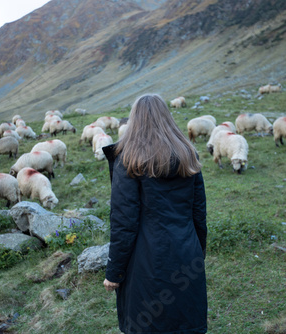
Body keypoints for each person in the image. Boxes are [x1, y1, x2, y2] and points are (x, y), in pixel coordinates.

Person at [102, 94, 208, 333]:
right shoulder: (188, 155)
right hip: (186, 250)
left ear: (134, 120)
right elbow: (198, 211)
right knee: (185, 321)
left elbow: (124, 222)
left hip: (145, 259)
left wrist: (115, 271)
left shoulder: (128, 160)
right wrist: (198, 252)